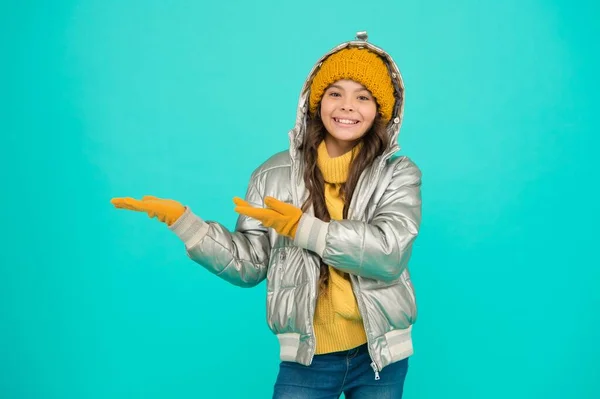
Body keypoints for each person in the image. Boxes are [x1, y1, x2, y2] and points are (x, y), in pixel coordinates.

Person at [111, 31, 422, 398]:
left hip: (379, 355)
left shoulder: (397, 173)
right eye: (335, 93)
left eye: (363, 97)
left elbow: (390, 253)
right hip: (308, 357)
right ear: (316, 100)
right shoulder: (272, 175)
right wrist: (186, 223)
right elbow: (250, 264)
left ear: (381, 110)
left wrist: (303, 228)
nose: (347, 106)